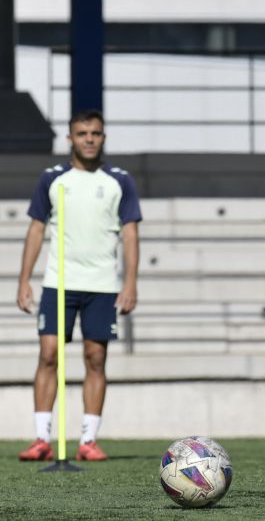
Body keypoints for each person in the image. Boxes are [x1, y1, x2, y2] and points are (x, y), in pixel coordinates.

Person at [17, 110, 142, 462]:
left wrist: (130, 282)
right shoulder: (53, 179)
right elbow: (36, 229)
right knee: (48, 354)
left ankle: (88, 440)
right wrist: (24, 279)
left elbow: (130, 234)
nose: (90, 139)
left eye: (96, 133)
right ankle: (42, 438)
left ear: (103, 138)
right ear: (70, 138)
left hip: (101, 285)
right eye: (82, 133)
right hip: (59, 283)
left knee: (96, 358)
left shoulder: (120, 180)